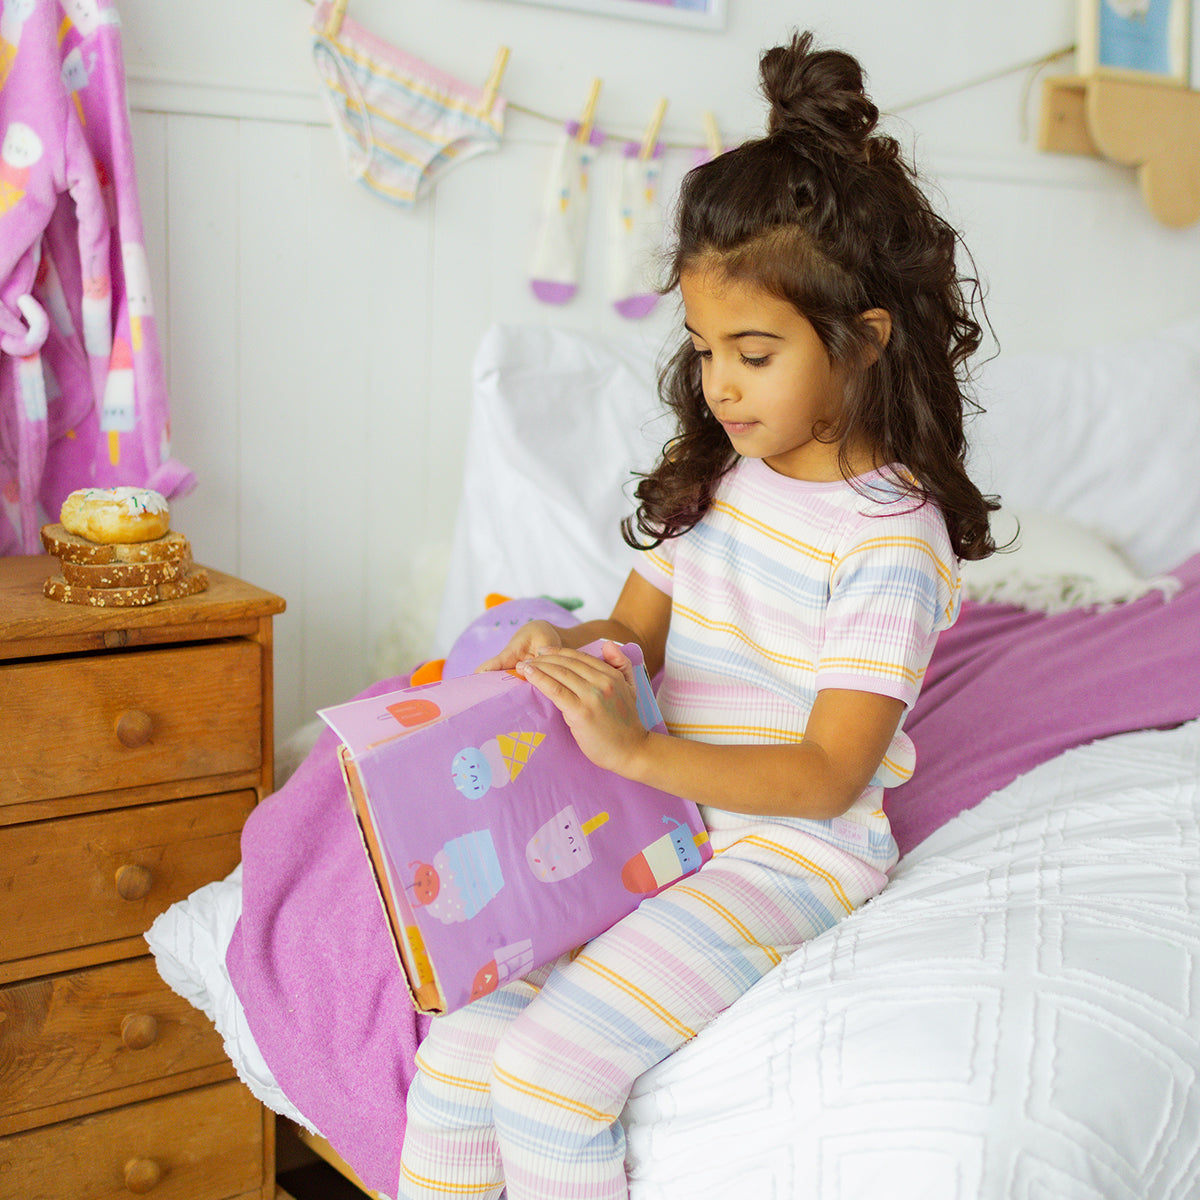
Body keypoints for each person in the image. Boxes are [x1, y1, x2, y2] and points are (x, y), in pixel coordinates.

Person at [396, 29, 997, 1200]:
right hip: (660, 822)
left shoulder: (890, 541)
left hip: (786, 854)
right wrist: (565, 648)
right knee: (462, 1051)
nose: (719, 383)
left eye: (754, 353)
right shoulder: (723, 479)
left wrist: (637, 751)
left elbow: (827, 775)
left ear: (864, 342)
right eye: (706, 348)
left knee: (553, 1077)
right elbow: (633, 637)